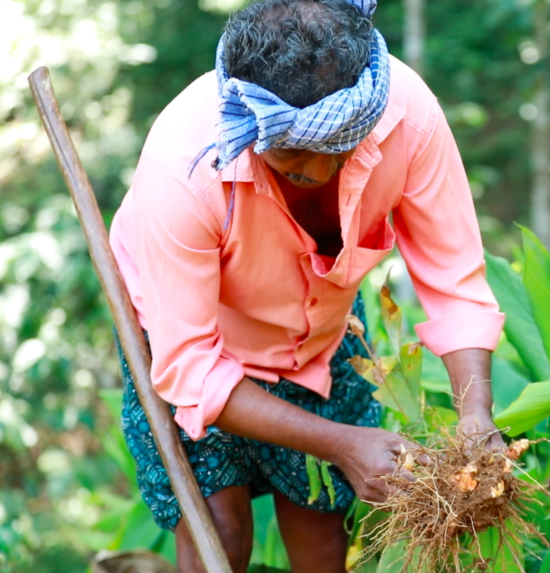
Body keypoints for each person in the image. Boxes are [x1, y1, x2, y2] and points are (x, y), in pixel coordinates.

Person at [108, 1, 505, 571]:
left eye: (335, 148)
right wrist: (343, 443)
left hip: (321, 328)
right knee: (218, 528)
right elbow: (190, 371)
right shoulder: (183, 169)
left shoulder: (408, 118)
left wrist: (476, 415)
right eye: (290, 151)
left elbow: (455, 280)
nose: (316, 173)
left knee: (323, 527)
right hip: (195, 336)